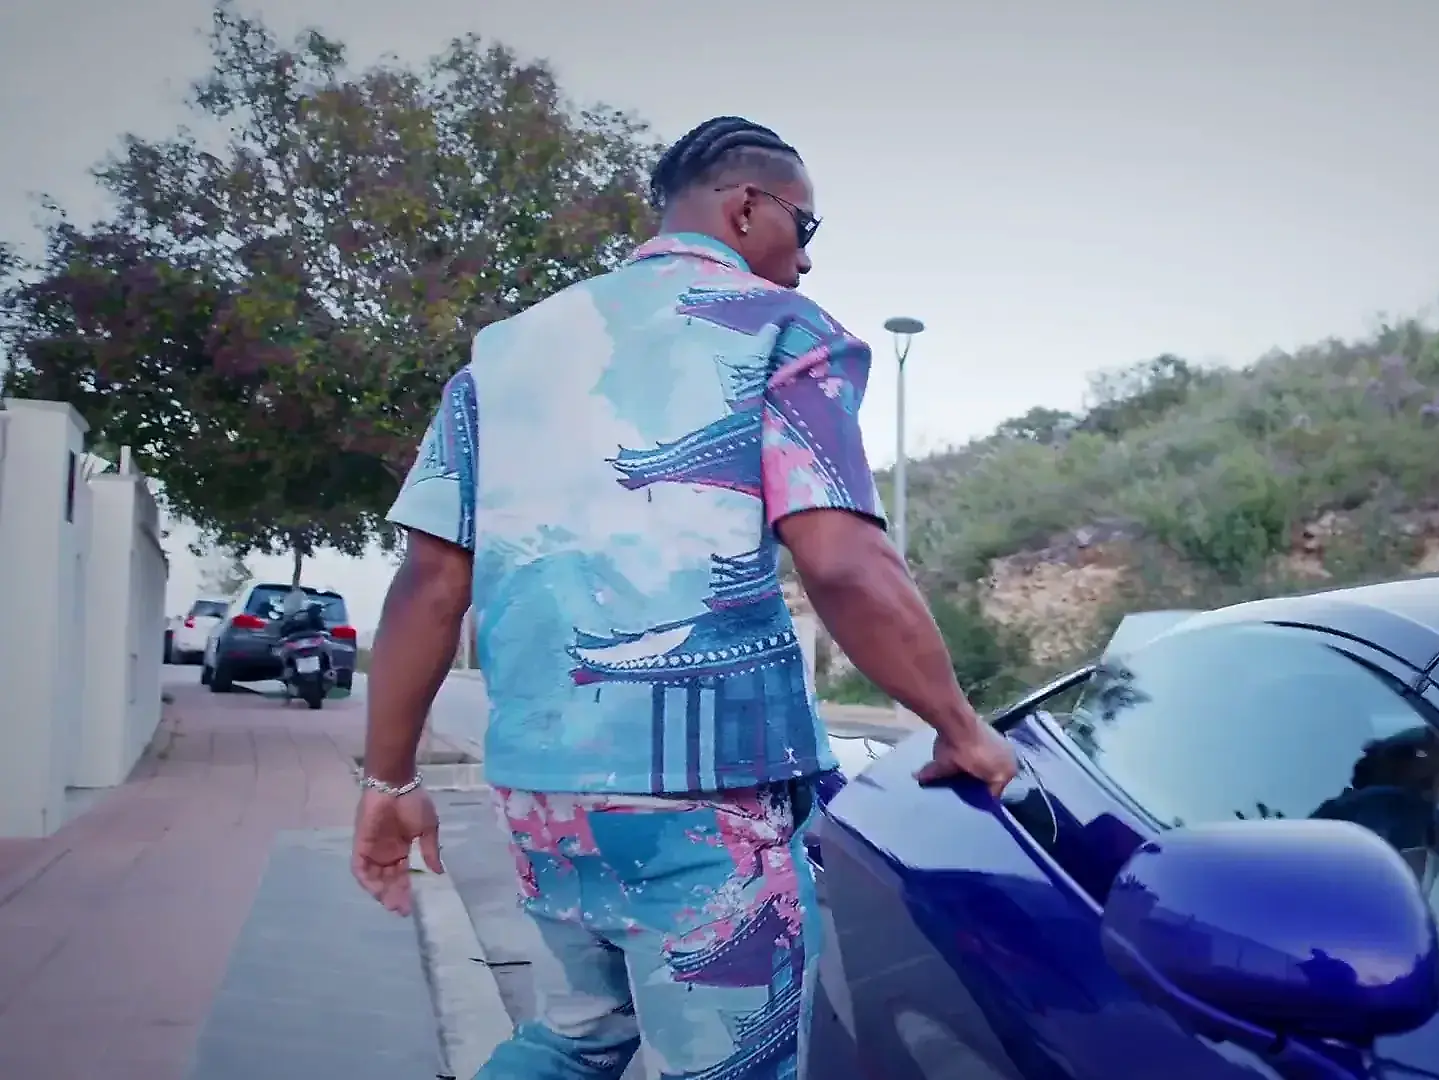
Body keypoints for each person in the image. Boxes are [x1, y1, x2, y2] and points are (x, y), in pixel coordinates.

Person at [348, 115, 1019, 1080]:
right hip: (711, 793)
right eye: (804, 228)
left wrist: (388, 781)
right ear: (746, 208)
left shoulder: (502, 355)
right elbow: (842, 561)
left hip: (541, 789)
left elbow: (430, 582)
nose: (806, 261)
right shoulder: (781, 328)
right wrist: (960, 727)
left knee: (576, 1040)